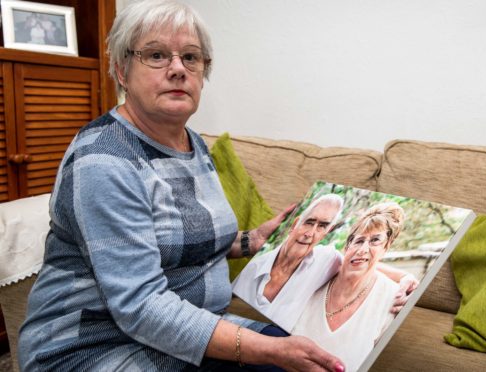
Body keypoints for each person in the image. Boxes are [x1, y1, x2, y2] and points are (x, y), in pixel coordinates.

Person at [17, 1, 345, 371]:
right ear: (122, 71)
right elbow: (141, 306)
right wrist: (265, 350)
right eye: (156, 55)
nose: (177, 69)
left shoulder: (192, 142)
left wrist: (253, 239)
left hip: (182, 330)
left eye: (191, 57)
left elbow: (184, 241)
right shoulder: (104, 160)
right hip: (93, 347)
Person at [233, 195, 418, 332]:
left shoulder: (324, 259)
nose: (310, 233)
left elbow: (360, 261)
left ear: (326, 233)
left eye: (321, 226)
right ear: (295, 223)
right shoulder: (255, 267)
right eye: (309, 222)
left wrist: (405, 277)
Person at [292, 202, 408, 372]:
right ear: (346, 247)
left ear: (386, 247)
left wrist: (406, 277)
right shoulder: (319, 273)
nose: (363, 249)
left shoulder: (393, 297)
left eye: (375, 240)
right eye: (359, 241)